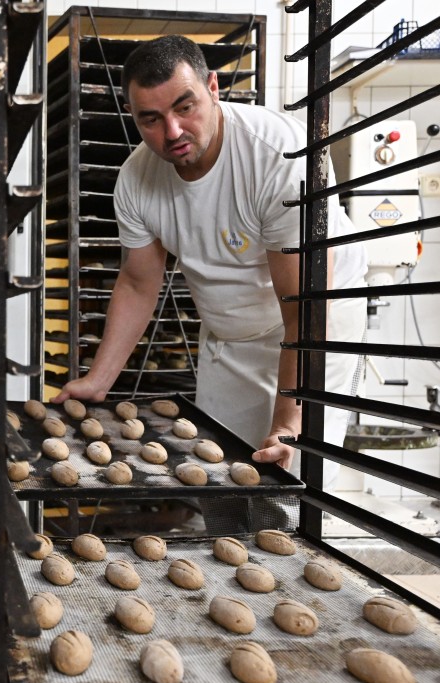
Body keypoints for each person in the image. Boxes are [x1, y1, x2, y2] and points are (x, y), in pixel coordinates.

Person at [53, 36, 367, 473]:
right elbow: (139, 282)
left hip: (315, 321)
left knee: (291, 474)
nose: (173, 132)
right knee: (222, 471)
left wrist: (287, 421)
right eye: (152, 119)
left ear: (214, 87)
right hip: (228, 335)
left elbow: (306, 307)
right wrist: (99, 380)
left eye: (185, 107)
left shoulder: (279, 155)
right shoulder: (136, 180)